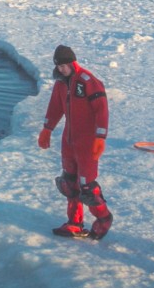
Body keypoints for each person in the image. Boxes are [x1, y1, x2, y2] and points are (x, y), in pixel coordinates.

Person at [39, 44, 112, 239]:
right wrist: (47, 128)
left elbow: (101, 109)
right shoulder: (61, 83)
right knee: (69, 183)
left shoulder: (88, 81)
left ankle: (104, 218)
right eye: (59, 66)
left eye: (65, 65)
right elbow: (55, 107)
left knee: (87, 187)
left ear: (73, 62)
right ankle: (75, 223)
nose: (62, 69)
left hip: (87, 142)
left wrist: (100, 136)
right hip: (69, 140)